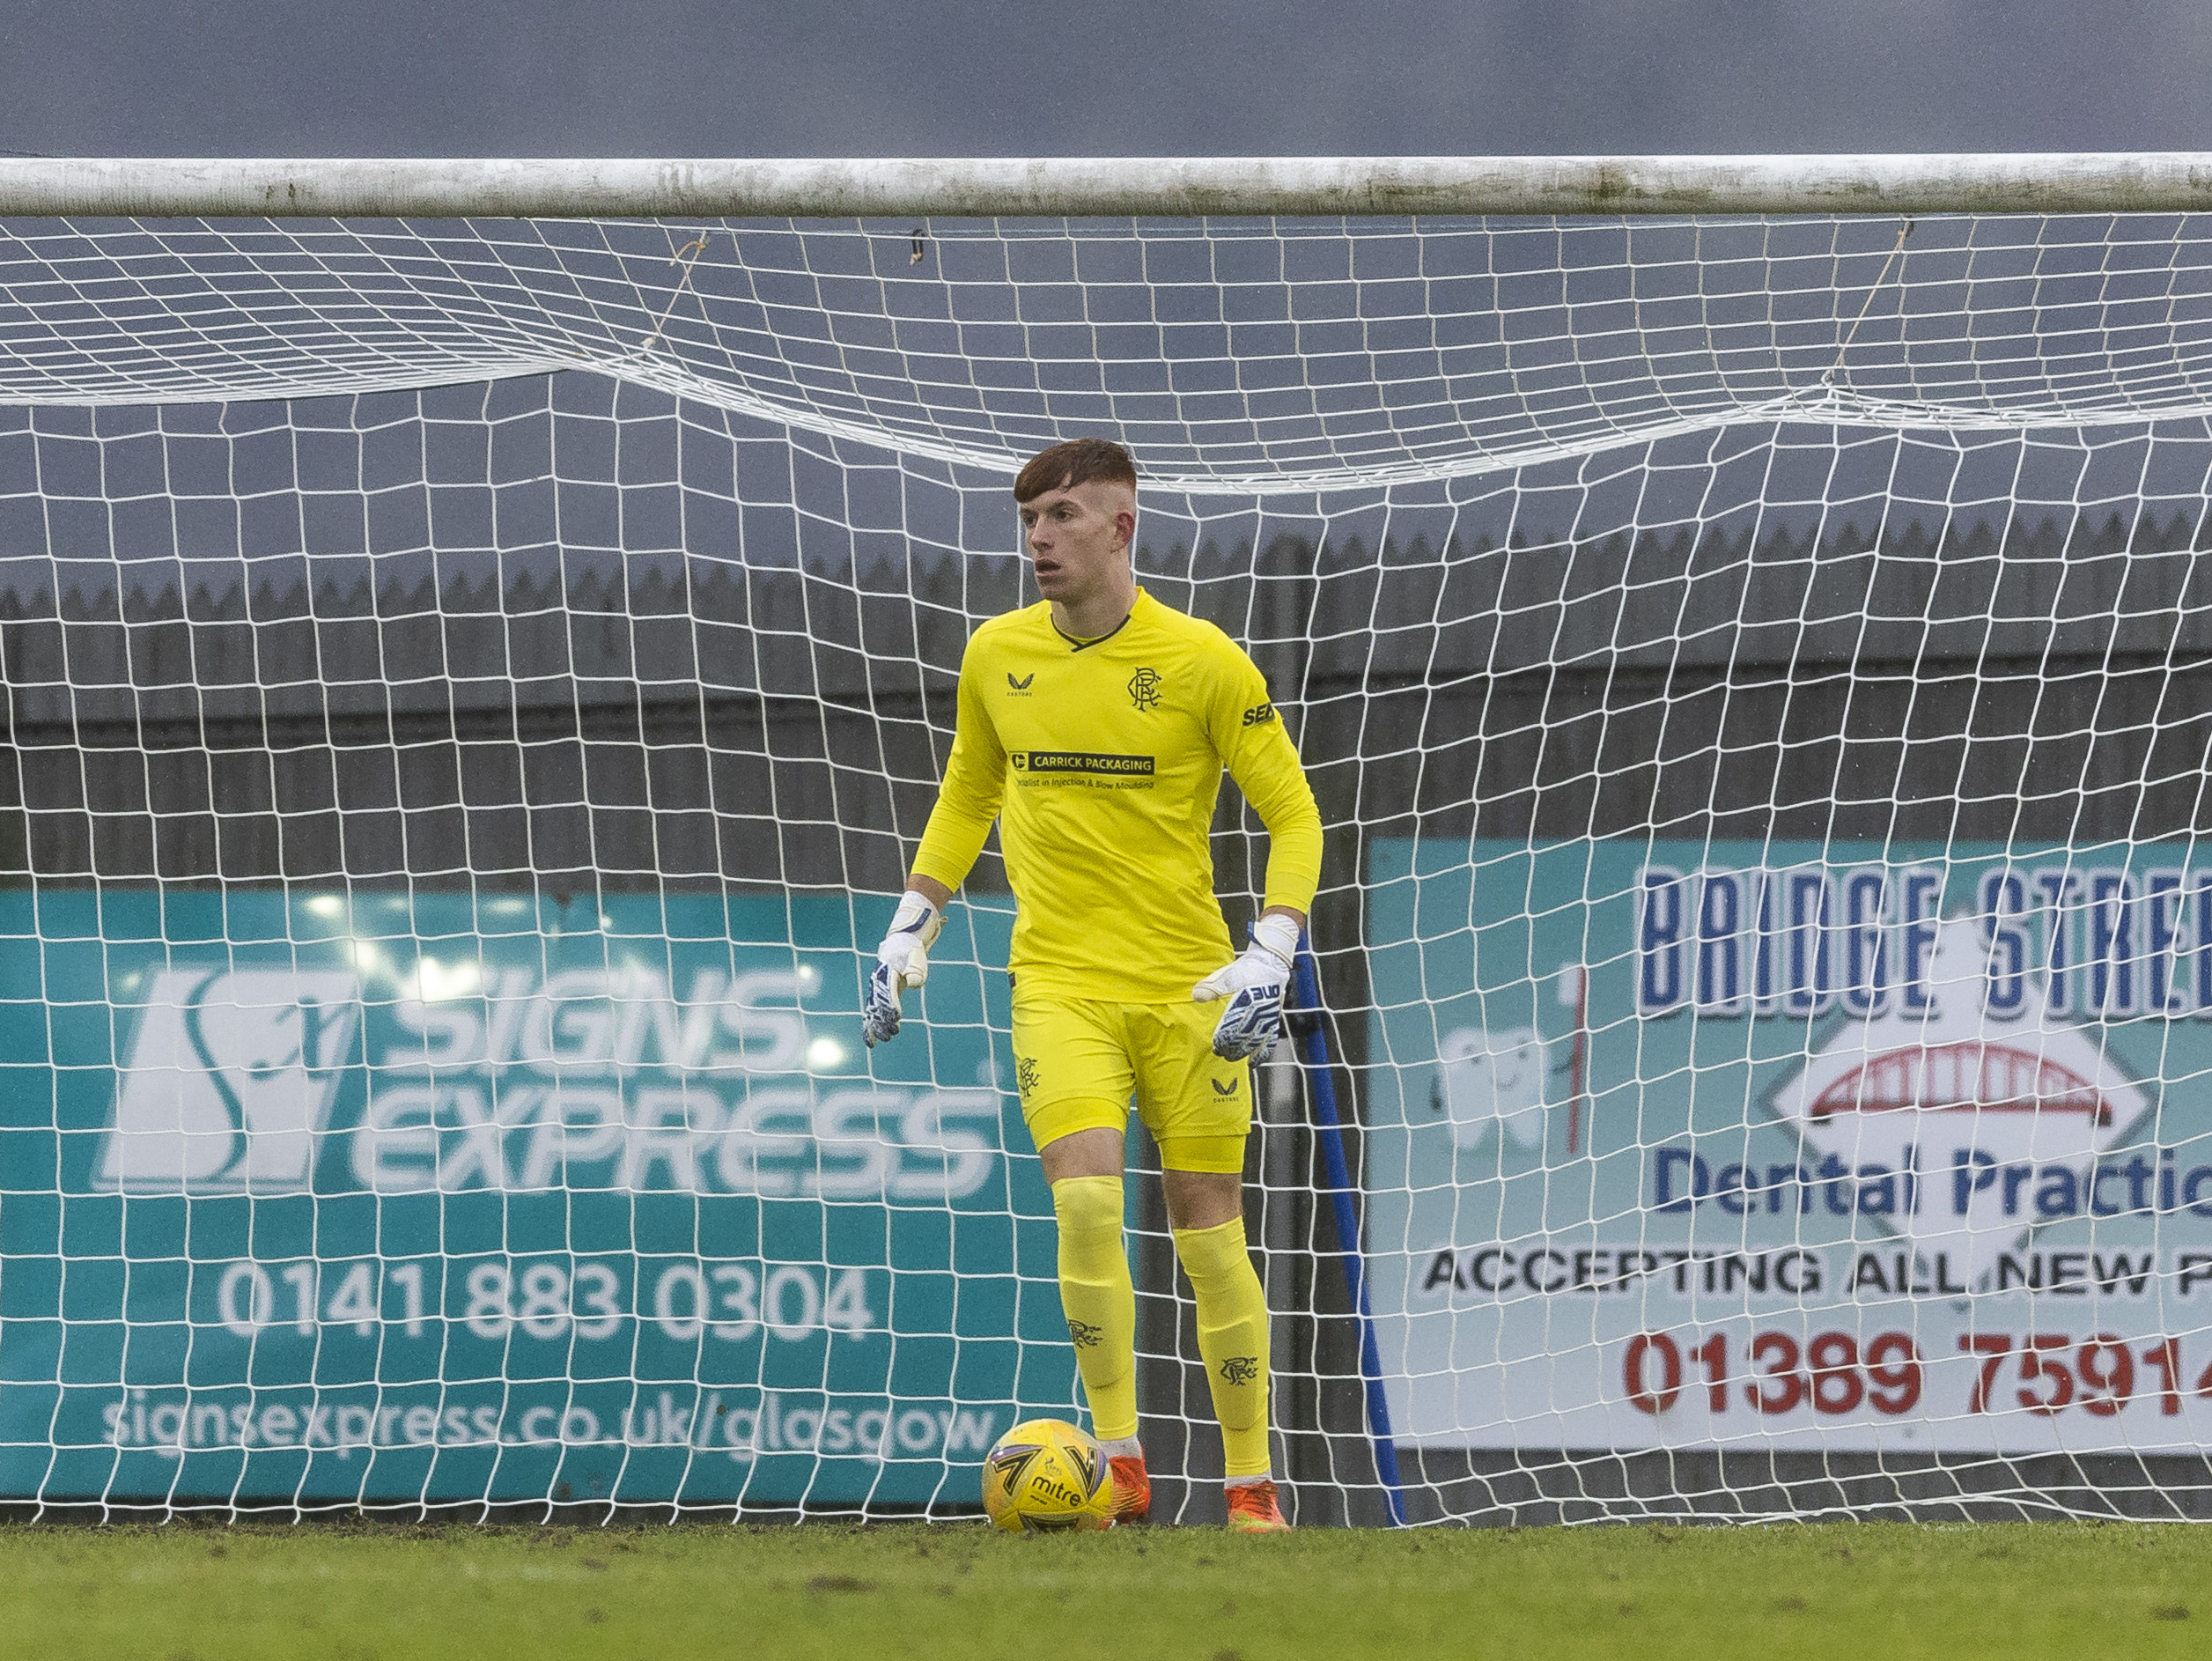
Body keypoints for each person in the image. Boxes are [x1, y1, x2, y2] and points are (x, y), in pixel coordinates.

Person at [861, 436, 1322, 1533]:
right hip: (1057, 982)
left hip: (1186, 992)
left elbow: (1294, 814)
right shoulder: (995, 654)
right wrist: (909, 922)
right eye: (1029, 519)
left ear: (1121, 526)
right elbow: (968, 789)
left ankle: (1251, 1482)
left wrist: (1272, 946)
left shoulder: (1204, 660)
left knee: (1210, 1235)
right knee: (1080, 1201)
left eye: (1063, 516)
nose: (1039, 538)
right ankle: (1119, 1461)